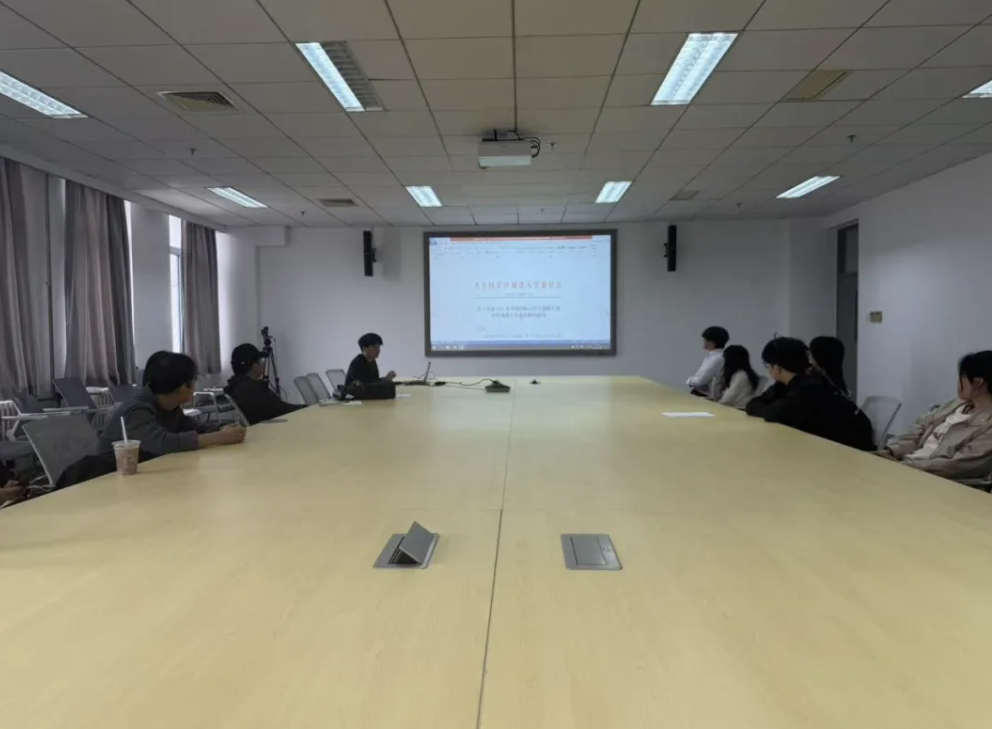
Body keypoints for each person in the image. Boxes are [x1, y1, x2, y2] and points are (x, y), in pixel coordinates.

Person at [97, 352, 246, 459]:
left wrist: (224, 428)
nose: (195, 385)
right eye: (194, 379)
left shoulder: (170, 406)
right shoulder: (136, 410)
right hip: (106, 477)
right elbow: (163, 443)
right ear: (182, 387)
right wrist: (219, 437)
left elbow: (195, 429)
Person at [746, 337, 875, 451]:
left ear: (777, 368)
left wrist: (765, 408)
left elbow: (775, 413)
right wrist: (765, 408)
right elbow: (753, 404)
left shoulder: (811, 387)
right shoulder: (786, 384)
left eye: (766, 365)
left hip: (849, 450)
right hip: (826, 445)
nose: (767, 369)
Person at [880, 352, 992, 479]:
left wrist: (905, 466)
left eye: (962, 377)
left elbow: (957, 465)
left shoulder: (988, 425)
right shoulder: (955, 405)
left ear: (978, 382)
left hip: (930, 478)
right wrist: (891, 452)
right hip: (906, 466)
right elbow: (918, 429)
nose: (958, 382)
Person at [224, 343, 304, 425]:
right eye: (260, 360)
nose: (262, 363)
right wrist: (306, 408)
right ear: (254, 365)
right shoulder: (254, 391)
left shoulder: (236, 387)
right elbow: (282, 409)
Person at [711, 344, 760, 409]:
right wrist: (718, 377)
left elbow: (726, 400)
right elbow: (716, 397)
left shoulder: (741, 376)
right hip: (730, 408)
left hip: (736, 409)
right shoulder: (738, 374)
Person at [687, 326, 729, 397]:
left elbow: (700, 381)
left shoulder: (717, 359)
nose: (703, 342)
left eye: (704, 340)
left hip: (703, 395)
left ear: (711, 342)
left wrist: (689, 381)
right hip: (699, 391)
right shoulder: (712, 356)